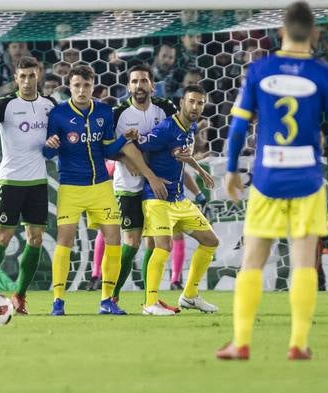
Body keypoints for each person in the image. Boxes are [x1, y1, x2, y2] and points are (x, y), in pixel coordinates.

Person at [217, 1, 328, 360]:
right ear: (314, 33)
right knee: (302, 261)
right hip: (308, 179)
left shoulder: (261, 68)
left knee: (252, 261)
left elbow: (237, 127)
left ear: (282, 31)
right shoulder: (323, 74)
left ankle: (242, 342)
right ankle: (297, 343)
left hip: (267, 179)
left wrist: (232, 169)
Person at [45, 62, 165, 316]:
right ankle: (58, 301)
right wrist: (51, 144)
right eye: (77, 85)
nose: (82, 90)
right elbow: (47, 152)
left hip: (101, 185)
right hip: (71, 186)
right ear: (69, 87)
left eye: (86, 85)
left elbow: (109, 150)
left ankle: (107, 300)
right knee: (65, 240)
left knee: (114, 239)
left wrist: (125, 139)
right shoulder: (57, 115)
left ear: (93, 86)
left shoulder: (104, 111)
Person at [0, 57, 54, 313]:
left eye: (32, 76)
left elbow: (58, 137)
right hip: (10, 180)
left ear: (39, 75)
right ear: (15, 78)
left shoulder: (49, 105)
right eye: (23, 77)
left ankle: (19, 297)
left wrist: (55, 143)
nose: (27, 81)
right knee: (3, 236)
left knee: (35, 238)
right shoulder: (5, 105)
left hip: (38, 181)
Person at [137, 83, 221, 315]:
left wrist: (201, 171)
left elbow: (182, 154)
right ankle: (150, 304)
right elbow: (135, 145)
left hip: (179, 200)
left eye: (200, 102)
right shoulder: (165, 128)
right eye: (191, 101)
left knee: (211, 241)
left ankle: (190, 296)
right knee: (163, 246)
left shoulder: (191, 127)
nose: (195, 106)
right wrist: (151, 177)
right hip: (156, 197)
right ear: (182, 102)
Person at [110, 63, 173, 309]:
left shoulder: (164, 109)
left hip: (155, 185)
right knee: (132, 242)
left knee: (153, 242)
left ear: (152, 85)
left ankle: (151, 299)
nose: (139, 86)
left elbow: (172, 137)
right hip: (128, 186)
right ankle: (113, 295)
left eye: (143, 81)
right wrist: (125, 158)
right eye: (134, 82)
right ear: (128, 86)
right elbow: (107, 147)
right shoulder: (119, 113)